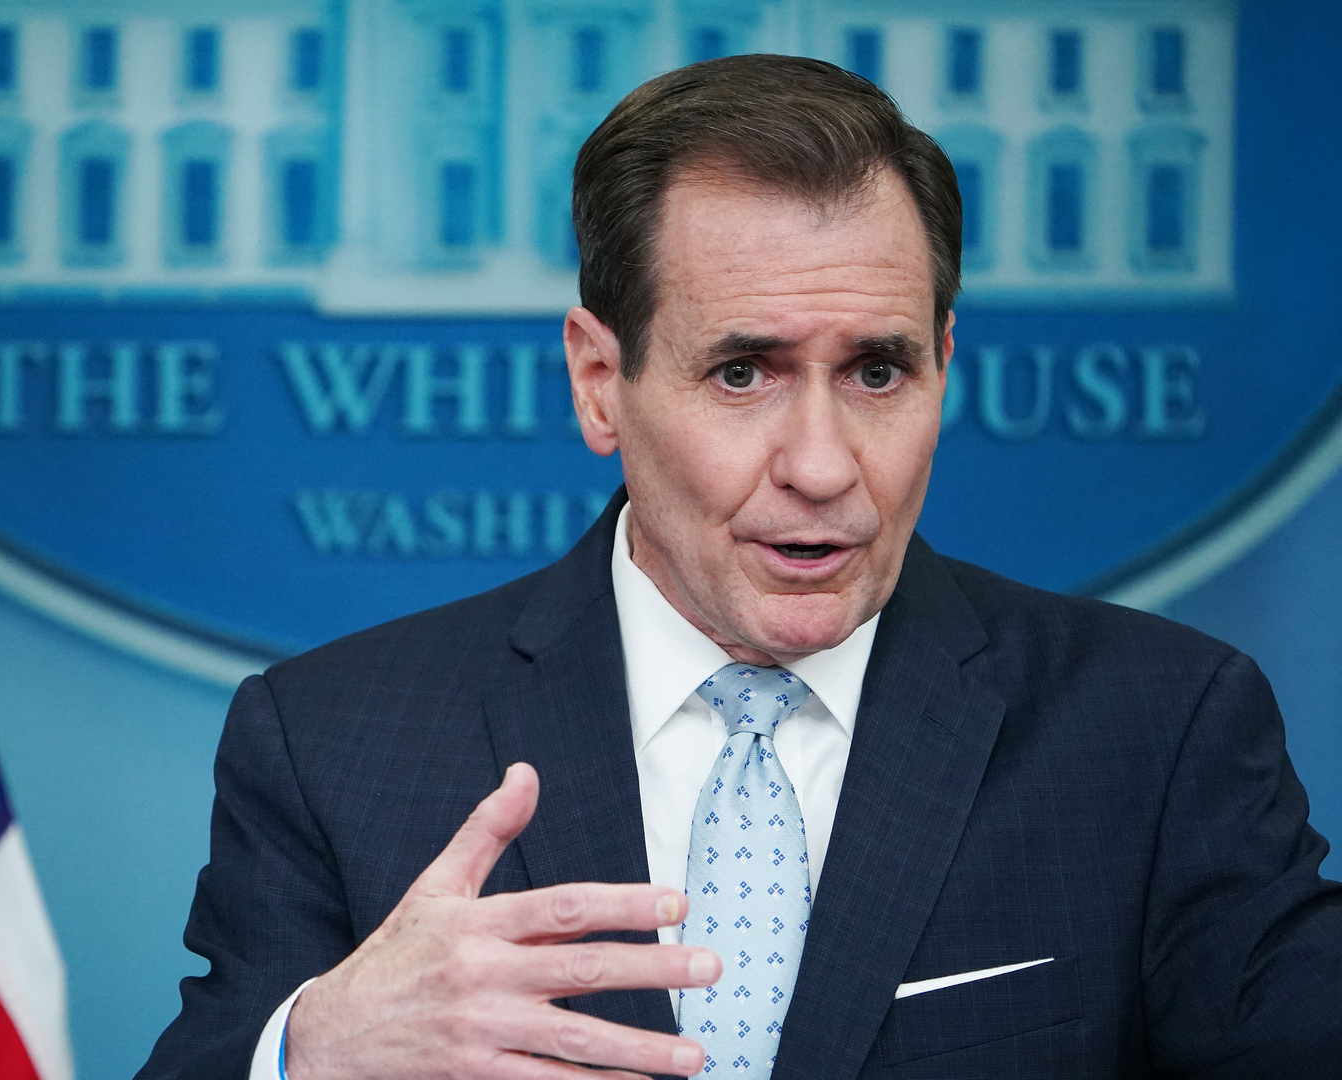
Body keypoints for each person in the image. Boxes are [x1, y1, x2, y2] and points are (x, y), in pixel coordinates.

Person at [136, 54, 1342, 1080]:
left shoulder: (1158, 730)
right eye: (743, 372)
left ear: (943, 363)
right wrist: (319, 1047)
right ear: (600, 383)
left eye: (878, 371)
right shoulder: (333, 742)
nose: (821, 466)